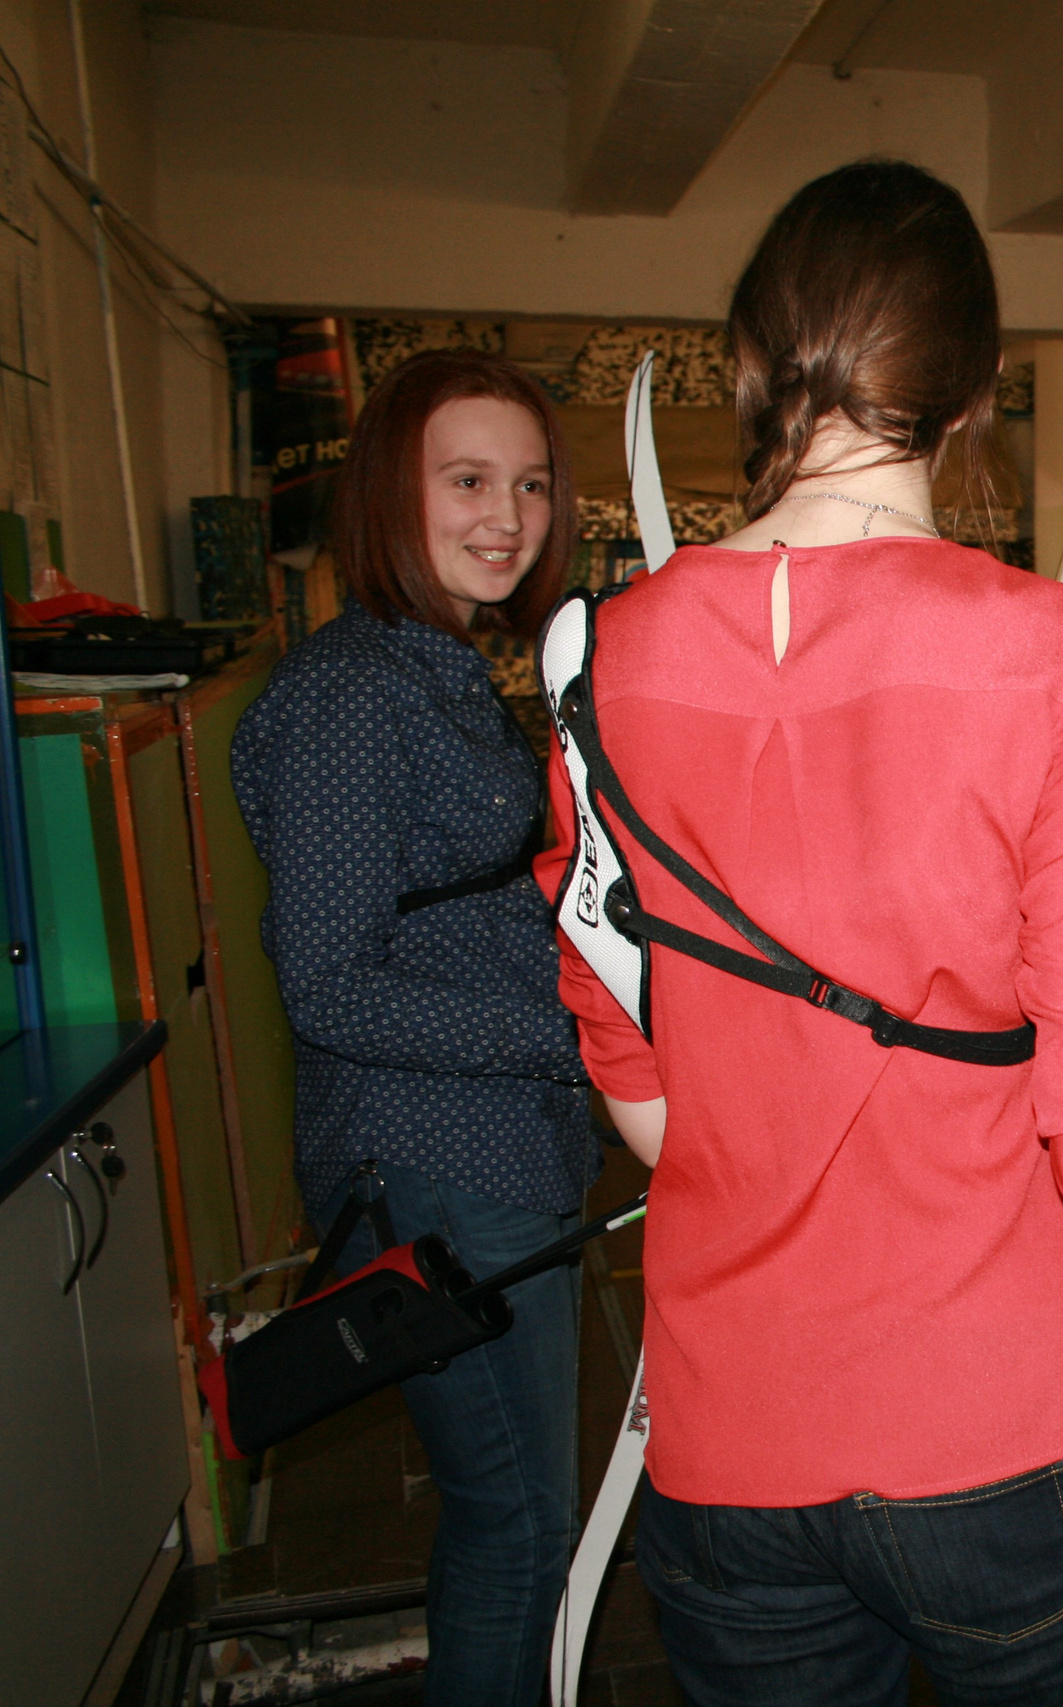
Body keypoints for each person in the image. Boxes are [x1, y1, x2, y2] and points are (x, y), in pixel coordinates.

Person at [539, 159, 1063, 1705]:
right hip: (1008, 1433)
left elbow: (640, 1092)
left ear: (757, 368)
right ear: (970, 394)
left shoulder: (605, 659)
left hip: (728, 1446)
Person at [231, 349, 591, 1707]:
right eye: (466, 480)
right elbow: (327, 984)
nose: (506, 514)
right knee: (520, 1527)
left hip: (495, 1146)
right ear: (394, 489)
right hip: (442, 1160)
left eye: (530, 484)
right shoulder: (351, 693)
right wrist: (563, 1029)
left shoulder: (431, 662)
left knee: (516, 1518)